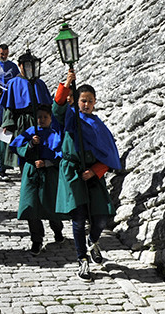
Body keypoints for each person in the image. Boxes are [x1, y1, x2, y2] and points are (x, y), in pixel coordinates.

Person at [54, 82, 121, 282]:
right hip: (72, 173)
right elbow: (57, 108)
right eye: (83, 100)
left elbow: (109, 154)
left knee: (101, 216)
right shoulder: (69, 117)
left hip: (92, 174)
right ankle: (82, 258)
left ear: (94, 103)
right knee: (79, 217)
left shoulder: (97, 124)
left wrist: (95, 171)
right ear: (76, 101)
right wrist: (66, 85)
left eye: (90, 101)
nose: (86, 104)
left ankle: (93, 240)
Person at [9, 103, 65, 255]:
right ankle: (36, 240)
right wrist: (31, 145)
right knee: (31, 207)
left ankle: (57, 230)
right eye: (39, 117)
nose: (41, 120)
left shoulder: (55, 134)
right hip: (32, 174)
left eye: (45, 117)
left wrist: (47, 162)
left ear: (50, 118)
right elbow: (17, 147)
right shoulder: (30, 132)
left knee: (51, 206)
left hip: (49, 175)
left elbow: (61, 155)